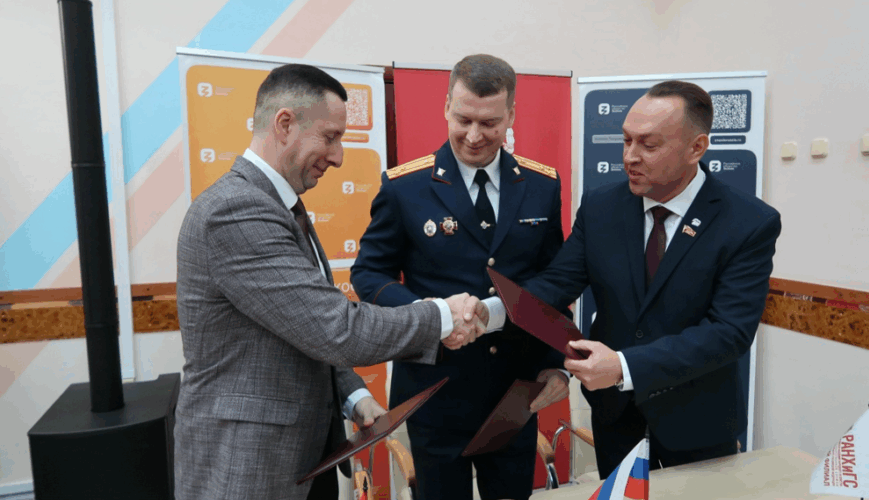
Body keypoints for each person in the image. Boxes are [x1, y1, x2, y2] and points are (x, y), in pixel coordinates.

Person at [174, 63, 485, 500]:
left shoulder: (280, 205)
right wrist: (442, 315)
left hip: (303, 457)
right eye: (331, 137)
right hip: (246, 465)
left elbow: (299, 328)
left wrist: (353, 395)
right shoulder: (238, 211)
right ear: (285, 123)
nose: (338, 156)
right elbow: (335, 329)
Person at [483, 80, 781, 478]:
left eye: (648, 145)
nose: (630, 157)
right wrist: (491, 311)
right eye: (626, 140)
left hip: (698, 421)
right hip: (616, 417)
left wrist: (624, 366)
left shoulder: (748, 222)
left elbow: (729, 332)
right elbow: (558, 282)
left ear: (696, 148)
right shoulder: (602, 206)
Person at [350, 54, 570, 500]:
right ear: (447, 107)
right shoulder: (404, 186)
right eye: (464, 119)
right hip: (435, 389)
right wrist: (429, 316)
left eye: (489, 123)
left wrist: (555, 361)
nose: (474, 136)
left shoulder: (541, 185)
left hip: (515, 391)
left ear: (511, 115)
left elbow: (554, 279)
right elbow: (369, 272)